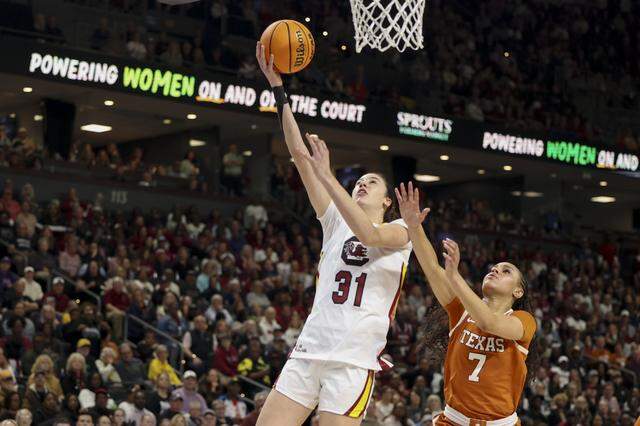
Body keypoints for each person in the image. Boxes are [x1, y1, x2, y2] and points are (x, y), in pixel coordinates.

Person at [256, 43, 413, 426]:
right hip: (311, 347)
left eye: (370, 181)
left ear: (387, 200)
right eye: (357, 181)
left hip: (354, 359)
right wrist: (279, 91)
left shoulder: (402, 230)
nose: (361, 185)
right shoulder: (333, 220)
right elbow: (298, 153)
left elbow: (370, 237)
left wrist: (328, 176)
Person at [394, 182, 537, 425]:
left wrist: (455, 276)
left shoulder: (523, 321)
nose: (495, 269)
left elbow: (489, 322)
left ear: (518, 291)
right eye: (494, 268)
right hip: (452, 420)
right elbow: (431, 268)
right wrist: (414, 227)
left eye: (506, 271)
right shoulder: (460, 311)